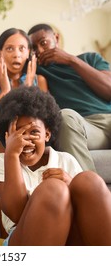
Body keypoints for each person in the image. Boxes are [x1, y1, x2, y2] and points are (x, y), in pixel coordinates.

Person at [0, 85, 111, 245]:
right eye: (18, 133)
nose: (26, 140)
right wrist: (11, 155)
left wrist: (71, 186)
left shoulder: (66, 160)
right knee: (54, 189)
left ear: (47, 134)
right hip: (23, 238)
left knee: (89, 181)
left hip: (70, 238)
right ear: (7, 137)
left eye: (34, 132)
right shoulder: (3, 160)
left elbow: (85, 208)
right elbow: (16, 214)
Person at [28, 23, 111, 172]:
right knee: (65, 116)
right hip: (84, 127)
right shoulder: (37, 72)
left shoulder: (90, 58)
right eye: (34, 49)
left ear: (56, 38)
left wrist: (71, 60)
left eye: (43, 43)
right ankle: (89, 190)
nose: (40, 51)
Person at [0, 28, 48, 164]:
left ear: (29, 53)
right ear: (0, 53)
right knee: (2, 129)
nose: (16, 54)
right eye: (9, 49)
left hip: (32, 140)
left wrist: (28, 88)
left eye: (22, 49)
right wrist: (5, 91)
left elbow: (45, 122)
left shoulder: (39, 80)